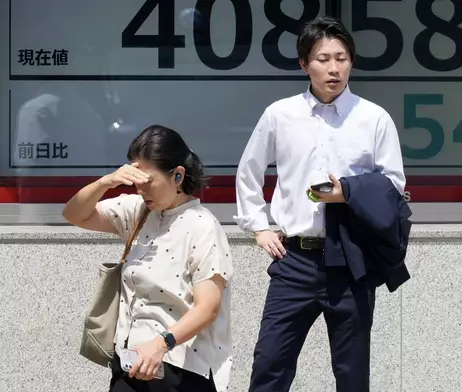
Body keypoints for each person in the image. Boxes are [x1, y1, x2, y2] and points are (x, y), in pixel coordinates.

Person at [234, 16, 406, 392]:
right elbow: (249, 171)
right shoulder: (280, 114)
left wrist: (347, 191)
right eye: (323, 58)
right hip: (293, 259)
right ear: (303, 64)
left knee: (352, 372)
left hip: (350, 259)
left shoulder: (373, 118)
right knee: (270, 364)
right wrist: (258, 226)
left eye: (342, 58)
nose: (334, 68)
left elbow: (394, 186)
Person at [62, 125, 234, 392]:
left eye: (148, 182)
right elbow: (74, 214)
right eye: (136, 182)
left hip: (179, 368)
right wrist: (106, 182)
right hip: (129, 363)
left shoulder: (203, 227)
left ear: (178, 176)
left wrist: (160, 344)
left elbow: (208, 308)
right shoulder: (137, 212)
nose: (141, 191)